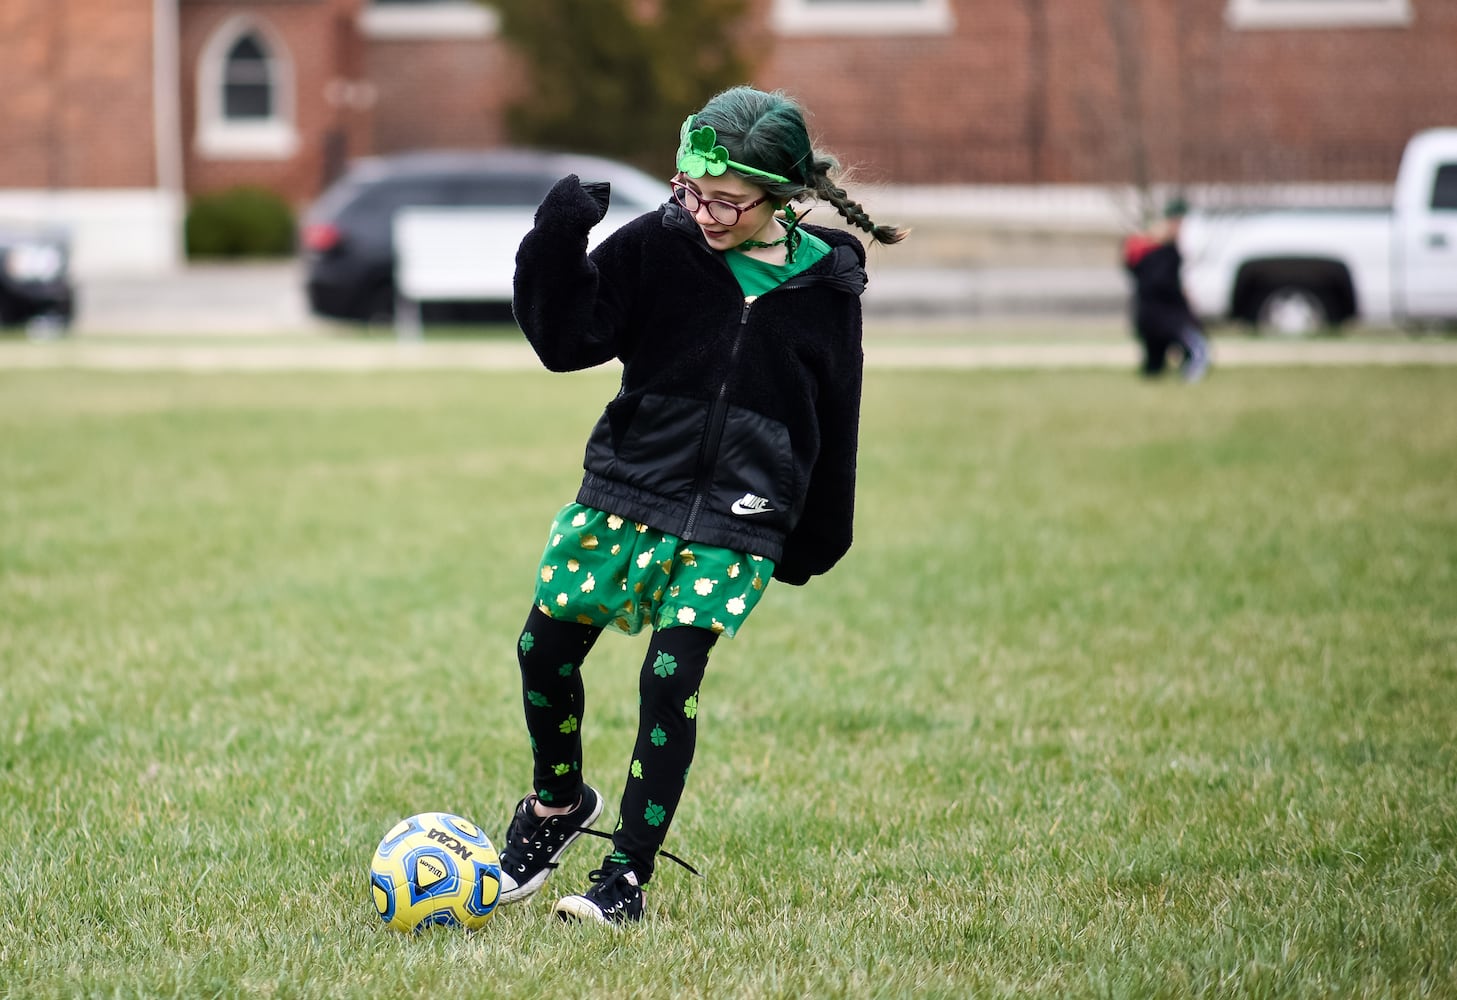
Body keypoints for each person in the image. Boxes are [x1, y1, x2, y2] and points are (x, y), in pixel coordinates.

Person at [497, 85, 906, 924]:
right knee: (542, 650)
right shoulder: (656, 244)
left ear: (781, 199)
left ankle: (627, 878)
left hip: (740, 515)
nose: (705, 213)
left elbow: (836, 414)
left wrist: (818, 533)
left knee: (671, 676)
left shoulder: (827, 287)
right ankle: (555, 806)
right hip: (629, 485)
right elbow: (565, 341)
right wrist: (555, 238)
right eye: (691, 192)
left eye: (727, 201)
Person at [1122, 196, 1210, 381]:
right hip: (1166, 318)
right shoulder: (1166, 254)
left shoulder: (1144, 252)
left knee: (1154, 369)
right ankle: (1189, 380)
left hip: (1146, 317)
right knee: (1198, 348)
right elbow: (1166, 287)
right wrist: (1186, 307)